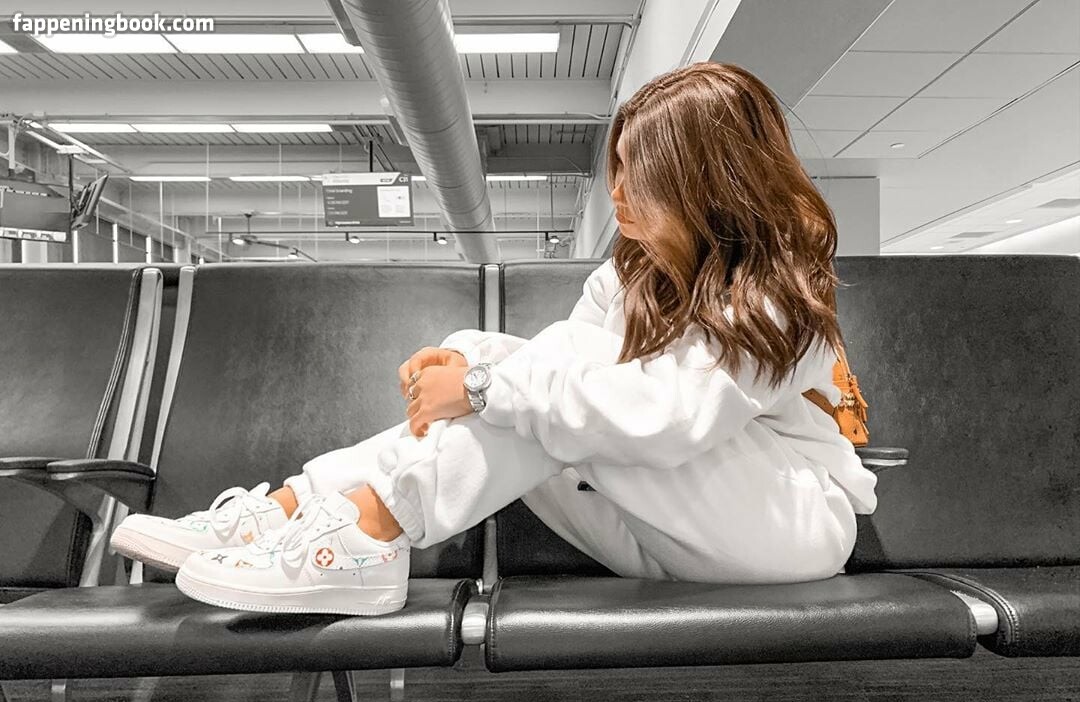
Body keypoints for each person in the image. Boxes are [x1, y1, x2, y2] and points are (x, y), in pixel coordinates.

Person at [109, 61, 877, 616]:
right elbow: (562, 376)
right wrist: (472, 368)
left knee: (536, 388)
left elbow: (667, 419)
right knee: (527, 388)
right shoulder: (629, 279)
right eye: (615, 170)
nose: (617, 194)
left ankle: (369, 530)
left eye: (638, 176)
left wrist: (480, 385)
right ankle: (293, 509)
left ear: (705, 184)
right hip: (665, 531)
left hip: (785, 532)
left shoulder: (775, 292)